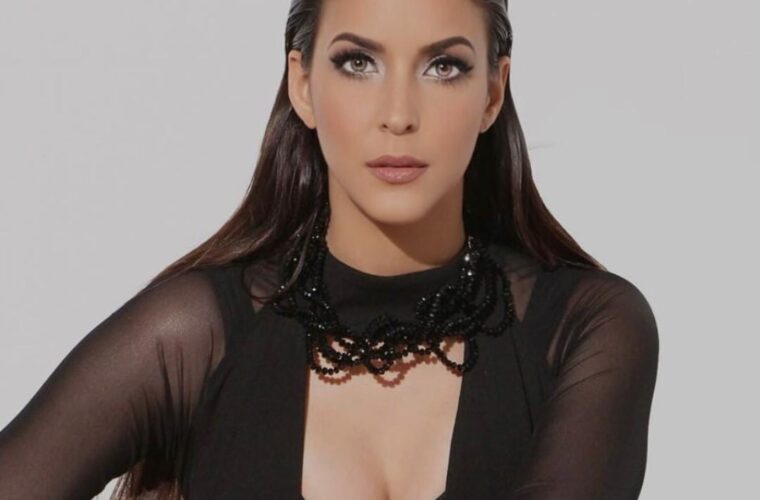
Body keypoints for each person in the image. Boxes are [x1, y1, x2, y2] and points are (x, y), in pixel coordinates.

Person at [0, 0, 660, 499]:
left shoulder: (585, 328)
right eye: (358, 62)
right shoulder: (196, 335)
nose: (397, 114)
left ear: (492, 92)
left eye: (443, 66)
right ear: (303, 84)